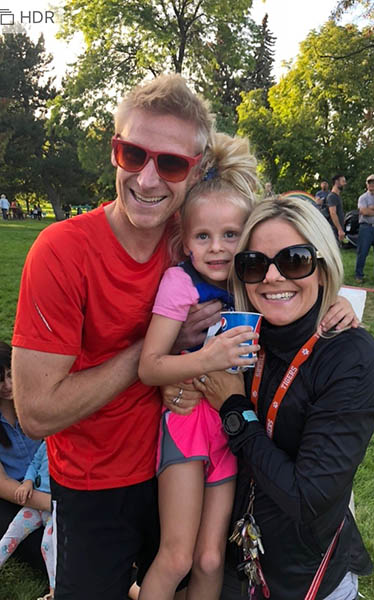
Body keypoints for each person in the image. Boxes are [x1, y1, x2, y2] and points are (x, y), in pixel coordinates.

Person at [11, 73, 222, 600]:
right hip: (93, 483)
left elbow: (280, 256)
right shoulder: (61, 251)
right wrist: (155, 347)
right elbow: (36, 412)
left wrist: (330, 300)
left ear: (193, 173)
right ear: (115, 151)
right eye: (134, 154)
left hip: (184, 464)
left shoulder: (196, 242)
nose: (148, 180)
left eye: (171, 163)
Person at [189, 195, 374, 600]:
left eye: (294, 260)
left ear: (322, 267)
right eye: (253, 264)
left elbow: (308, 498)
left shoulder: (351, 358)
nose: (272, 278)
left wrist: (235, 411)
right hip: (229, 563)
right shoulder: (240, 336)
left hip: (306, 580)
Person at [138, 132, 260, 600]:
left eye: (230, 235)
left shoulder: (252, 284)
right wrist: (206, 361)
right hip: (187, 422)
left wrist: (342, 311)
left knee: (211, 558)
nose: (217, 248)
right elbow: (150, 367)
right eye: (203, 236)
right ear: (185, 241)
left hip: (230, 428)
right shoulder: (179, 283)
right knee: (177, 556)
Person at [0, 341, 48, 572]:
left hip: (50, 479)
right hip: (14, 494)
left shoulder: (36, 399)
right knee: (35, 543)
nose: (8, 385)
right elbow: (3, 485)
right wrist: (58, 504)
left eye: (11, 374)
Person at [0, 440, 55, 600]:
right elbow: (34, 463)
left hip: (54, 510)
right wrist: (28, 482)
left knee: (48, 545)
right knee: (11, 535)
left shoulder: (69, 449)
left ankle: (54, 589)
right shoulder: (46, 444)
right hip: (33, 503)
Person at [327, 174, 346, 243]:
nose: (345, 184)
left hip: (336, 230)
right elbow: (333, 213)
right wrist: (339, 229)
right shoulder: (332, 196)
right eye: (343, 181)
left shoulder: (337, 196)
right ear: (336, 182)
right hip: (333, 230)